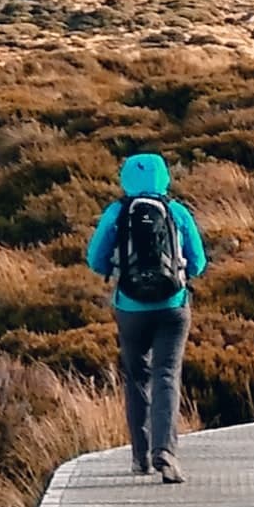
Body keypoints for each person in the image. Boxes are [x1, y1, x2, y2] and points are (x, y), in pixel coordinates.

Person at [87, 149, 207, 482]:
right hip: (173, 306)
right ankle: (165, 453)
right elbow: (198, 262)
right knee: (166, 375)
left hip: (129, 308)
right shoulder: (177, 212)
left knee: (137, 377)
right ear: (164, 176)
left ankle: (140, 457)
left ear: (126, 177)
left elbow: (95, 260)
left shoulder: (116, 212)